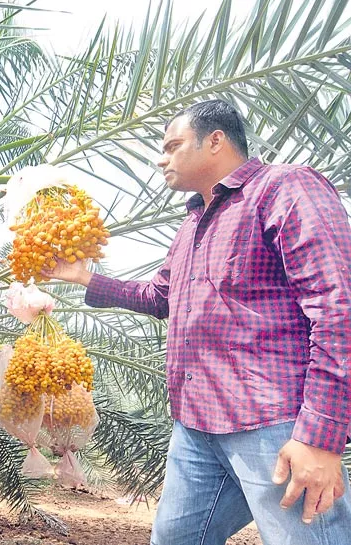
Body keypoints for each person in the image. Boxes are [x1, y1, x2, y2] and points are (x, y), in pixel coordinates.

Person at [44, 99, 351, 545]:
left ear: (215, 141)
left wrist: (320, 438)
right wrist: (82, 276)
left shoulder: (283, 189)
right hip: (196, 428)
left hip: (273, 424)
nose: (160, 157)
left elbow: (337, 307)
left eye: (172, 145)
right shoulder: (192, 224)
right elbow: (159, 296)